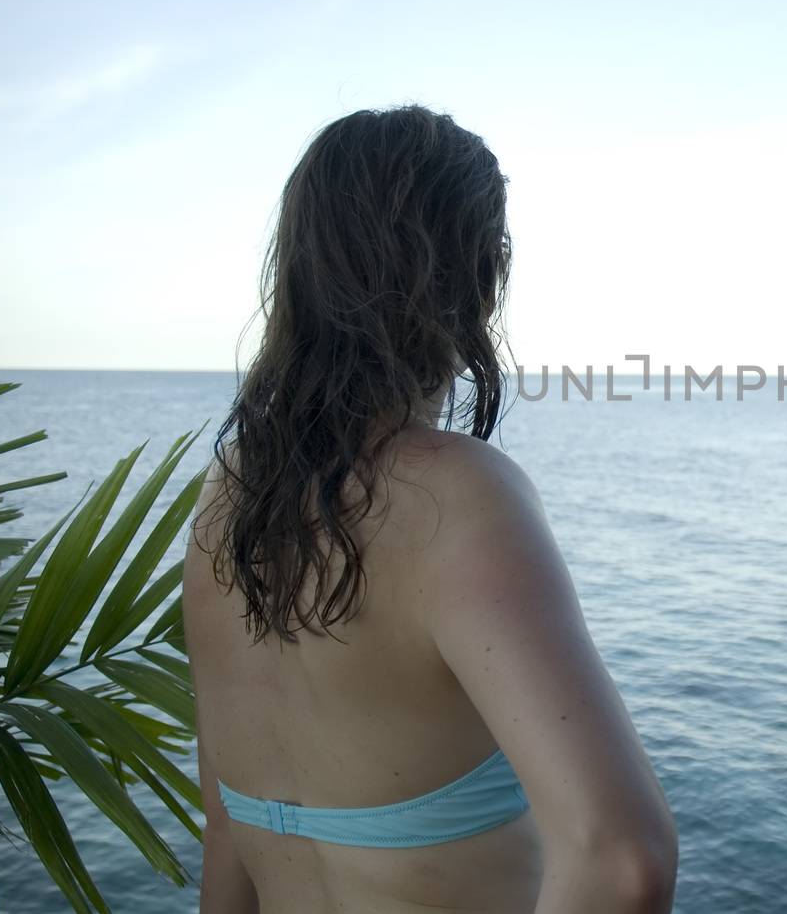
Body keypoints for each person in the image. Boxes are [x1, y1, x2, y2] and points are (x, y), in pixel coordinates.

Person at [184, 105, 677, 914]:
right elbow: (623, 862)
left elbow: (228, 844)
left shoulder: (227, 503)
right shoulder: (459, 496)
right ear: (481, 276)